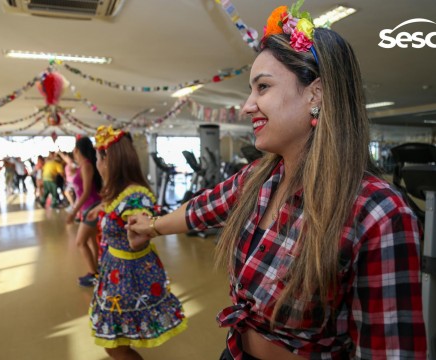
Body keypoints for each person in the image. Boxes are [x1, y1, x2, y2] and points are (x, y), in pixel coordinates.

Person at [127, 3, 426, 359]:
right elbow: (202, 210)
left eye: (263, 87)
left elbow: (389, 351)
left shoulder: (379, 214)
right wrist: (151, 227)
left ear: (315, 94)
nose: (247, 105)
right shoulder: (261, 177)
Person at [86, 125, 187, 360]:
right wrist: (99, 208)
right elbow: (118, 210)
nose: (98, 165)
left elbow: (140, 220)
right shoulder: (120, 192)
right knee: (114, 343)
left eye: (99, 159)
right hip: (115, 272)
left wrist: (139, 235)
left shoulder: (135, 195)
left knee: (115, 346)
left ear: (108, 162)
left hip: (129, 278)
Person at [66, 137, 103, 287]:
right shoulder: (83, 165)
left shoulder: (87, 166)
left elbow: (87, 192)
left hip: (91, 206)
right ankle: (95, 270)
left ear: (77, 150)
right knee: (91, 240)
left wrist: (73, 212)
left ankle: (93, 273)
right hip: (87, 207)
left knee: (80, 242)